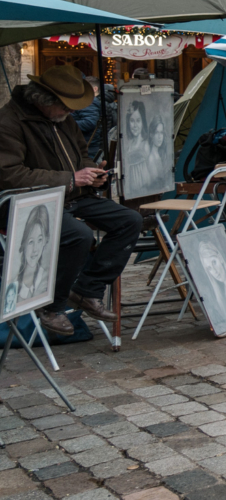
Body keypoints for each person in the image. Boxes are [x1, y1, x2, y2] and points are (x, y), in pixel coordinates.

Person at [0, 66, 142, 337]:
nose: (70, 112)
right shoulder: (9, 123)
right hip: (29, 201)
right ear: (44, 101)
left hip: (71, 195)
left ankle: (87, 290)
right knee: (79, 235)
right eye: (65, 107)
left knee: (129, 220)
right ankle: (53, 307)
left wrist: (93, 173)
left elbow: (81, 153)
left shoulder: (62, 119)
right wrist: (71, 179)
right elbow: (10, 175)